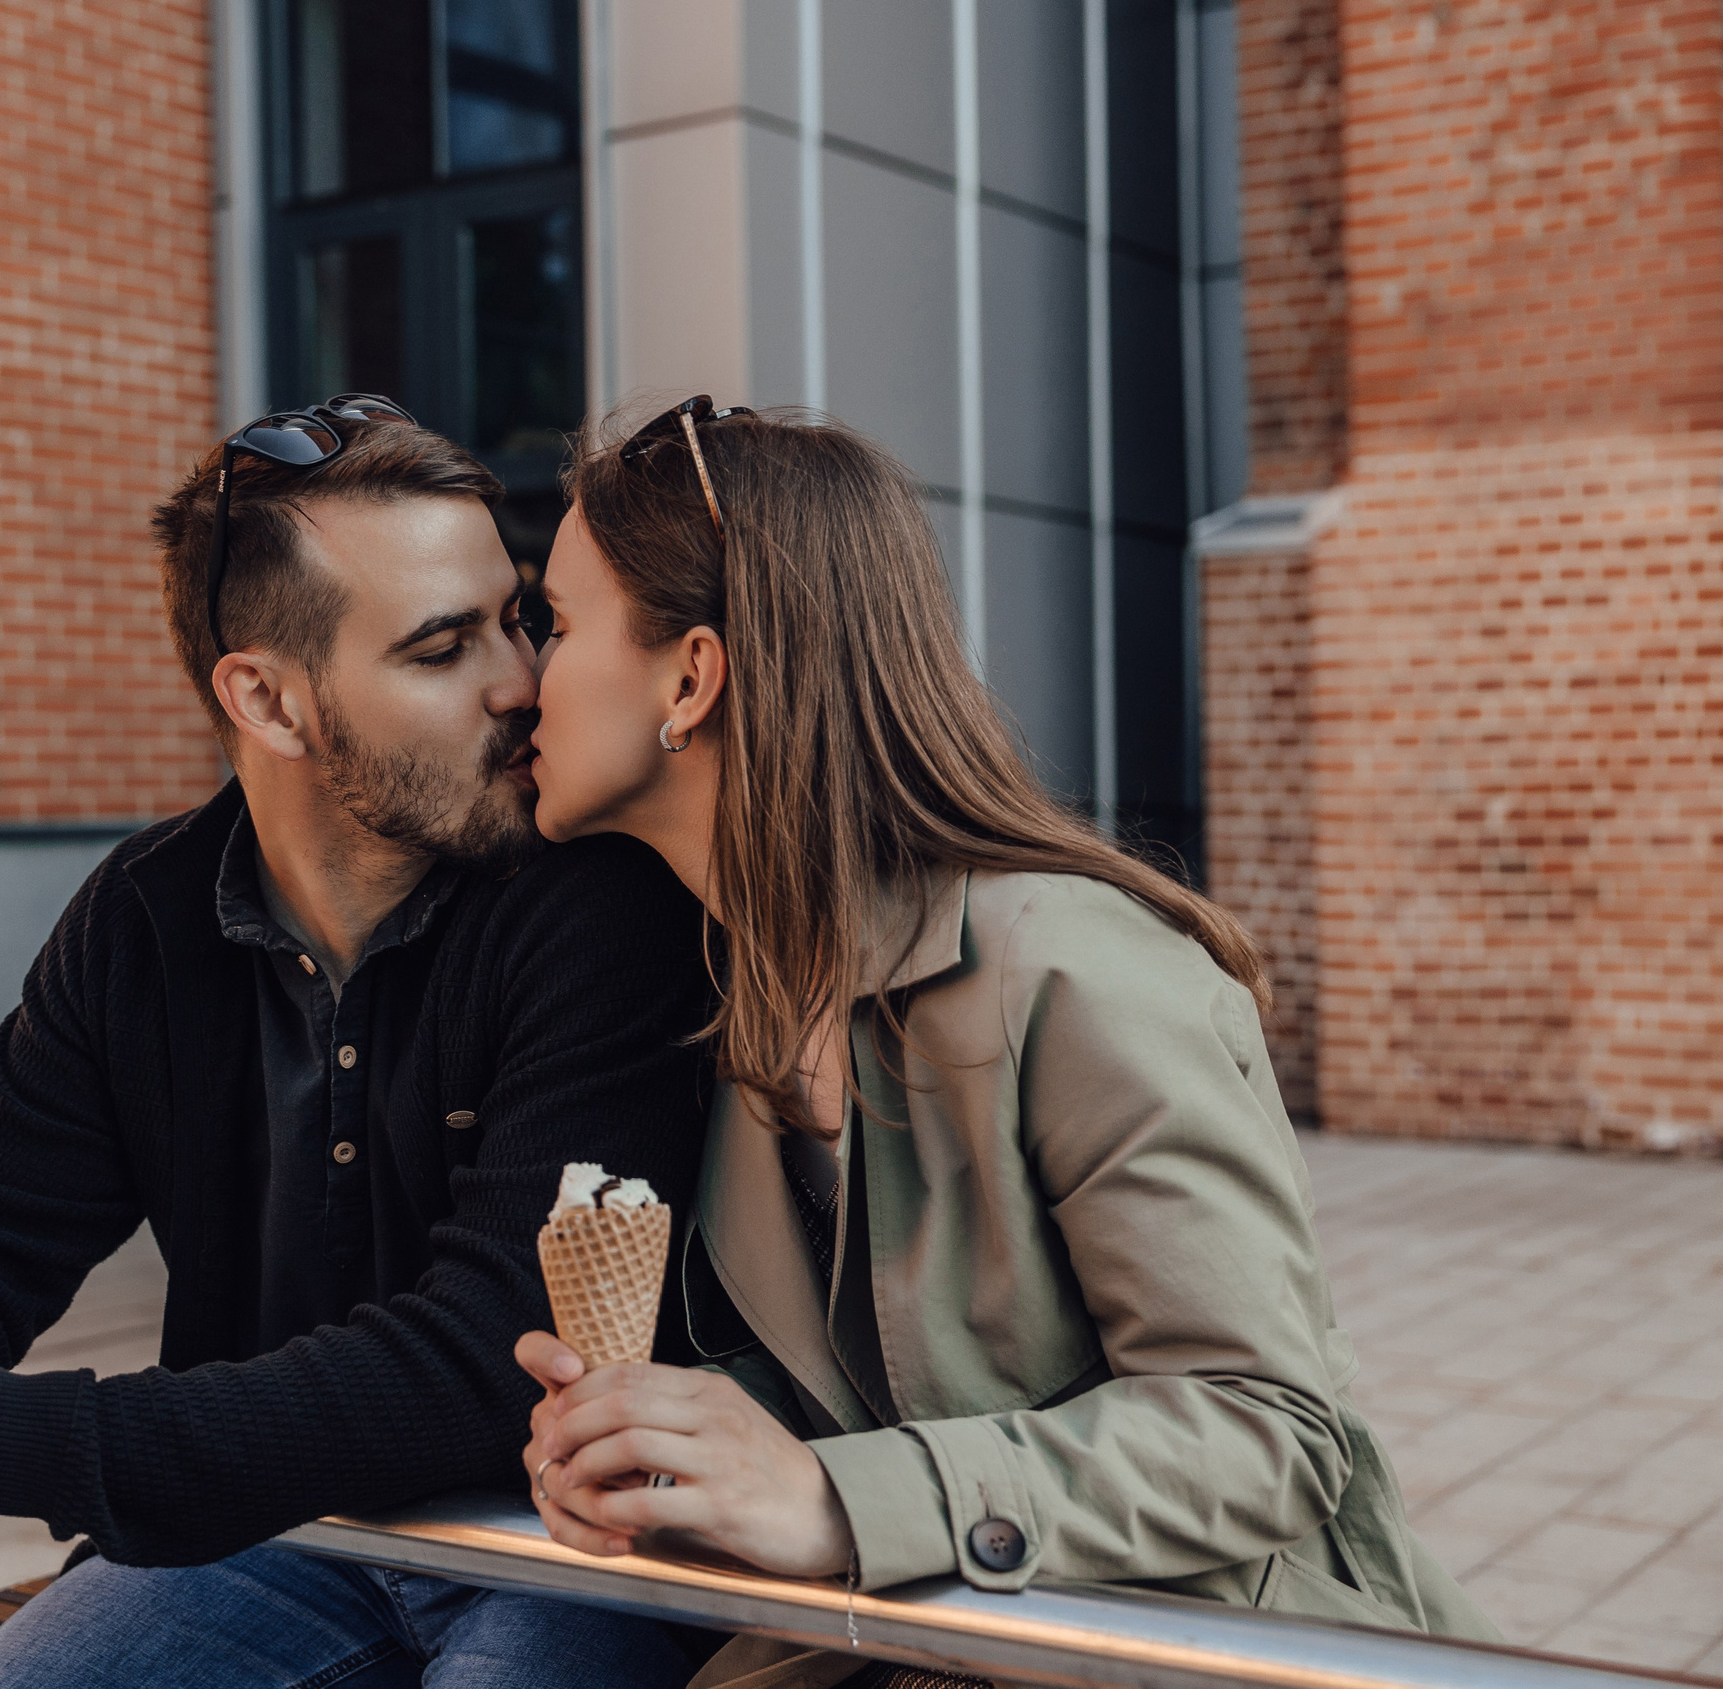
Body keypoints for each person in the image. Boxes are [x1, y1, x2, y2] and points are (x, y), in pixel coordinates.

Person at [0, 401, 718, 1688]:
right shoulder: (144, 915)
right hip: (263, 1536)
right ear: (266, 700)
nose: (519, 682)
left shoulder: (605, 901)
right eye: (443, 649)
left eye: (520, 620)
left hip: (572, 1549)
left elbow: (487, 1360)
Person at [512, 400, 1498, 1684]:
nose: (522, 676)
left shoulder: (1073, 967)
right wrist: (668, 1446)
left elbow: (1264, 1428)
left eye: (559, 624)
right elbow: (864, 1383)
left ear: (690, 678)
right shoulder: (732, 982)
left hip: (1199, 1650)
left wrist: (830, 1499)